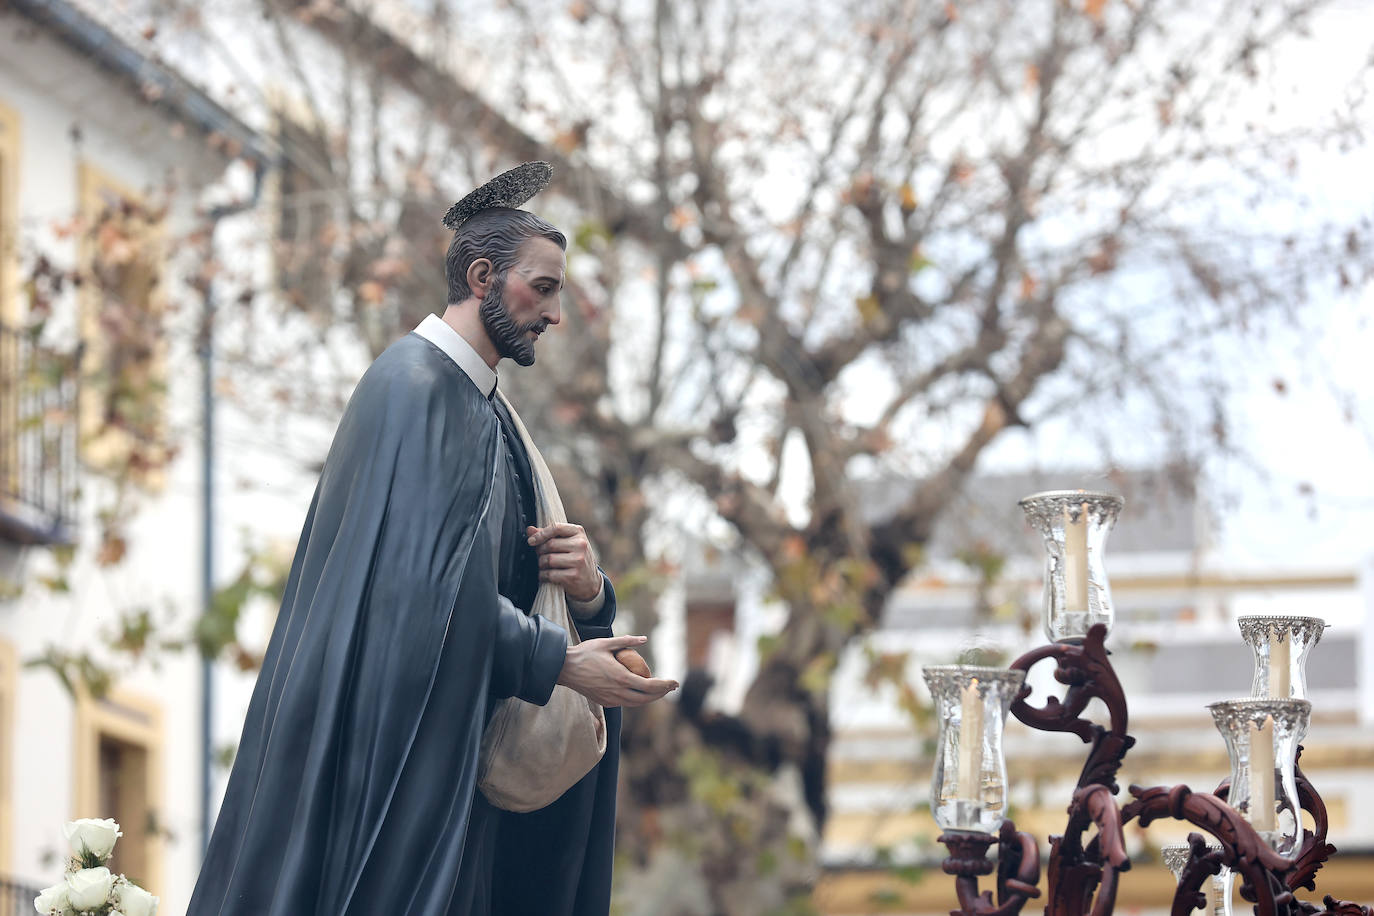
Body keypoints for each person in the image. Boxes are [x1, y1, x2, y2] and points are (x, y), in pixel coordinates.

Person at [188, 163, 677, 916]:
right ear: (483, 276)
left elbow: (489, 581)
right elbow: (416, 597)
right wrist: (559, 662)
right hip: (392, 768)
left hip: (456, 769)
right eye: (542, 288)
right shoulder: (414, 389)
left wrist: (587, 592)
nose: (554, 314)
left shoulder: (484, 412)